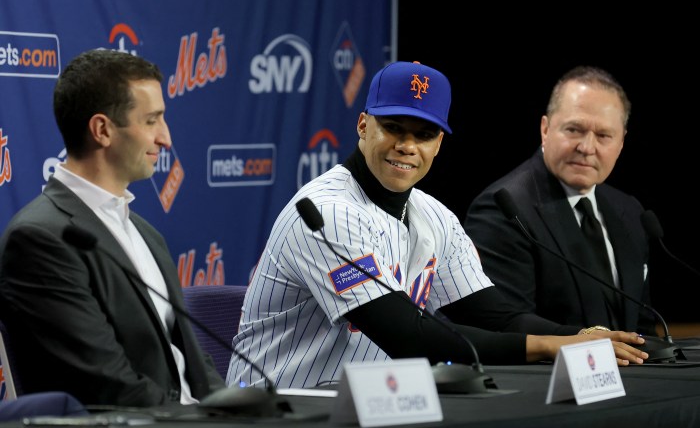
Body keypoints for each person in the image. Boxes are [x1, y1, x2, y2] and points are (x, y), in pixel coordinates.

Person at [226, 61, 647, 390]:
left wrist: (586, 335)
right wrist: (557, 347)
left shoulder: (433, 216)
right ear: (362, 125)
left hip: (373, 410)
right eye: (392, 128)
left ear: (439, 144)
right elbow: (408, 336)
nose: (407, 146)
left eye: (424, 134)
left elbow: (495, 317)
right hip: (277, 415)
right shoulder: (324, 211)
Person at [0, 49, 224, 407]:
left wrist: (240, 415)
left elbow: (194, 365)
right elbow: (106, 386)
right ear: (102, 130)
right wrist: (209, 427)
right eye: (152, 121)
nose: (165, 138)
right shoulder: (39, 238)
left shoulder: (146, 234)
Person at [463, 65, 657, 336]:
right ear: (545, 129)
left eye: (603, 136)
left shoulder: (630, 211)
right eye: (574, 130)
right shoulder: (504, 208)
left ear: (621, 142)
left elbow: (643, 324)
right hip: (545, 376)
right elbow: (508, 327)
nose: (587, 148)